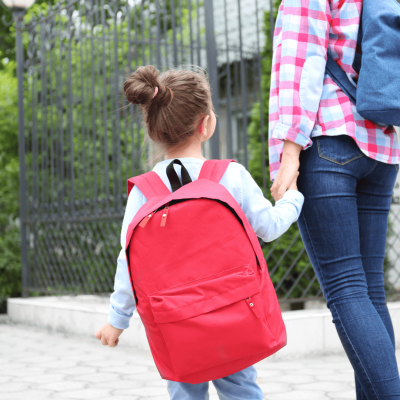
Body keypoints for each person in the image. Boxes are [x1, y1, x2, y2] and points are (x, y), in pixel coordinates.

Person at [95, 65, 304, 399]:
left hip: (176, 328)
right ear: (206, 125)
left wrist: (116, 320)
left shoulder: (143, 192)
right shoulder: (230, 176)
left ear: (152, 130)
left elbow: (128, 262)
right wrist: (293, 198)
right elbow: (269, 226)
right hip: (234, 316)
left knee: (184, 391)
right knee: (242, 390)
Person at [268, 0, 400, 398]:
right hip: (381, 144)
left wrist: (289, 151)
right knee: (369, 292)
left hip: (328, 141)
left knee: (346, 289)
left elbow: (303, 60)